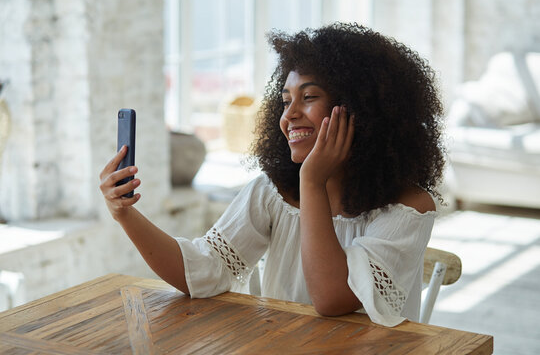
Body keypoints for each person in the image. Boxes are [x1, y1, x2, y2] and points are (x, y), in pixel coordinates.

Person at [99, 23, 445, 327]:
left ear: (360, 109)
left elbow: (331, 299)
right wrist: (125, 213)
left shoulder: (408, 208)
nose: (290, 114)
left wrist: (311, 182)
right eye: (284, 101)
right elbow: (201, 272)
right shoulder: (272, 193)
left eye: (308, 97)